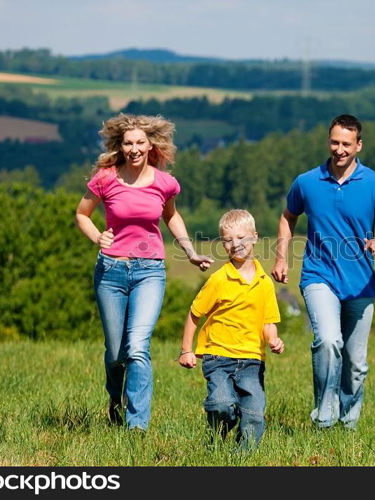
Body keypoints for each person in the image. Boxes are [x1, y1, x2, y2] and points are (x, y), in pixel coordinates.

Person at [75, 113, 213, 431]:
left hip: (150, 271)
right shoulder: (105, 178)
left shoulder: (165, 183)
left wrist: (189, 250)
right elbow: (82, 213)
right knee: (116, 353)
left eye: (140, 142)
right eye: (128, 143)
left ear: (151, 145)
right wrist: (97, 235)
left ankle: (137, 427)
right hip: (111, 270)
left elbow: (172, 217)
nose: (134, 149)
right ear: (120, 146)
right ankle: (115, 400)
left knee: (138, 346)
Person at [271, 114, 375, 430]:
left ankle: (349, 422)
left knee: (356, 364)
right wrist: (280, 258)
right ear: (328, 141)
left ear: (359, 145)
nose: (339, 149)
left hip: (361, 282)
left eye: (346, 143)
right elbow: (288, 216)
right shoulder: (307, 182)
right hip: (319, 275)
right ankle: (325, 417)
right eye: (334, 142)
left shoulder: (374, 185)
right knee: (329, 341)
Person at [179, 209, 284, 449]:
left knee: (255, 413)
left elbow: (269, 321)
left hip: (252, 359)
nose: (235, 244)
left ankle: (242, 457)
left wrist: (274, 340)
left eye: (241, 237)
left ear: (255, 237)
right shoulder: (218, 279)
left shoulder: (265, 282)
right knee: (220, 405)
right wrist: (186, 350)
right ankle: (216, 437)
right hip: (218, 357)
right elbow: (195, 314)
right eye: (228, 240)